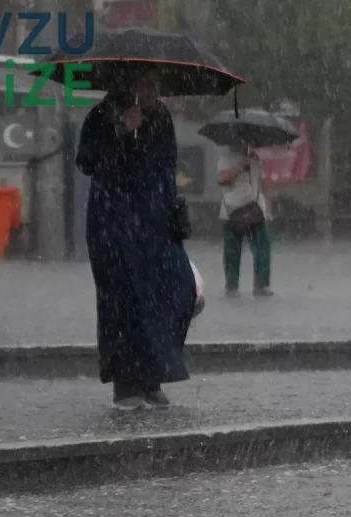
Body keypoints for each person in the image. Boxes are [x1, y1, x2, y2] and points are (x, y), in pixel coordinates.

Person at [76, 69, 195, 409]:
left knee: (177, 290)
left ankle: (153, 373)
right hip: (112, 224)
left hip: (154, 225)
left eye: (156, 85)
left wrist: (169, 210)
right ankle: (127, 383)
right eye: (148, 83)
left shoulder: (161, 118)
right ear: (129, 85)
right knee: (123, 302)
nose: (155, 91)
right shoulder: (101, 116)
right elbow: (87, 161)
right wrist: (120, 132)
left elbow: (164, 165)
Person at [217, 136, 273, 297]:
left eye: (248, 141)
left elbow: (264, 184)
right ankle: (231, 286)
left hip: (255, 211)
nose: (246, 144)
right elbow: (221, 179)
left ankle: (262, 286)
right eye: (243, 140)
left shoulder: (256, 160)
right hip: (231, 213)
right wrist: (241, 166)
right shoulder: (225, 158)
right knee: (231, 252)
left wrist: (268, 208)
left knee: (263, 249)